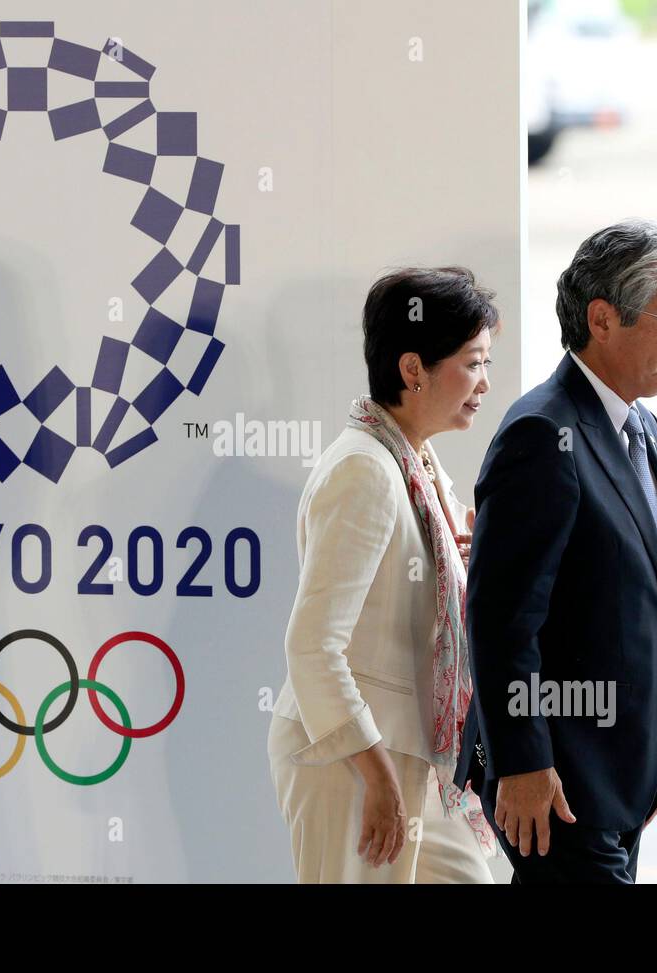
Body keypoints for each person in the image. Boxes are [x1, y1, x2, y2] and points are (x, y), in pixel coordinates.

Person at [454, 219, 657, 883]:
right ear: (602, 319)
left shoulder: (642, 427)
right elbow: (502, 620)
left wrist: (650, 759)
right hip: (557, 783)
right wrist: (524, 762)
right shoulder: (543, 434)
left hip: (617, 777)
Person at [267, 266, 500, 883]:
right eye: (473, 363)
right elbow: (312, 646)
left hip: (417, 755)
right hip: (352, 756)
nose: (484, 383)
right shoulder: (366, 471)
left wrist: (465, 566)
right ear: (412, 369)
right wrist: (376, 774)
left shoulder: (414, 463)